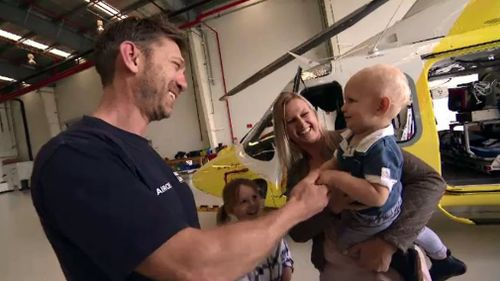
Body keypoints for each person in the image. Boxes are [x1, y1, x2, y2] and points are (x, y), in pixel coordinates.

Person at [30, 17, 329, 281]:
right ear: (132, 57)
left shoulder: (144, 153)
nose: (184, 83)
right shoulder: (76, 157)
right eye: (175, 65)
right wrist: (296, 209)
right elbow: (192, 264)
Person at [272, 89, 466, 281]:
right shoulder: (296, 175)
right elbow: (298, 232)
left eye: (304, 114)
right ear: (284, 131)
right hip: (337, 269)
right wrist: (331, 207)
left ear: (314, 113)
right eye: (291, 121)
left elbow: (430, 181)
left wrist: (389, 243)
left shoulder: (355, 140)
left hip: (392, 264)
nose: (301, 123)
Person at [317, 64, 466, 280]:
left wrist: (336, 178)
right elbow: (336, 159)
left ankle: (407, 260)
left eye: (351, 101)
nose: (343, 108)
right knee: (419, 231)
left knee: (344, 242)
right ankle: (441, 256)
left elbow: (378, 196)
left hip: (377, 214)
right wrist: (324, 175)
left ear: (381, 106)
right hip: (380, 210)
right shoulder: (355, 135)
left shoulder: (381, 149)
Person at [217, 178, 294, 281]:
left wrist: (287, 272)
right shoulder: (232, 245)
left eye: (254, 197)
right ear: (231, 209)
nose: (252, 204)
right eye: (244, 201)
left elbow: (286, 257)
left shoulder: (272, 230)